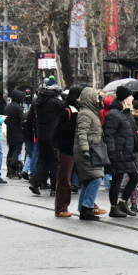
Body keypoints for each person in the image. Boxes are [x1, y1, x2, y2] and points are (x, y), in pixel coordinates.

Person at [103, 86, 138, 218]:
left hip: (130, 152)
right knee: (117, 179)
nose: (133, 98)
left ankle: (123, 202)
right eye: (130, 96)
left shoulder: (127, 112)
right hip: (119, 152)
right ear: (125, 98)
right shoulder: (114, 114)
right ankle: (114, 207)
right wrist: (112, 152)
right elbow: (109, 135)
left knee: (136, 175)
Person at [73, 87, 105, 221]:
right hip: (87, 151)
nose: (98, 100)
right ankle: (87, 207)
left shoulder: (90, 112)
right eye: (96, 98)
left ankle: (84, 208)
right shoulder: (86, 114)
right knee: (96, 177)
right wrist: (85, 150)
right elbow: (82, 133)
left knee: (89, 179)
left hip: (92, 149)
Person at [28, 82, 64, 195]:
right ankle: (54, 188)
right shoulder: (54, 102)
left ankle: (36, 183)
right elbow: (64, 105)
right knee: (54, 162)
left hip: (41, 134)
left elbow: (30, 118)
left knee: (43, 160)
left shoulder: (38, 101)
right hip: (53, 135)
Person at [53, 86, 82, 217]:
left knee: (89, 177)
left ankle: (89, 204)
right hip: (67, 149)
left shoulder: (80, 110)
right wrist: (76, 128)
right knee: (65, 179)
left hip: (77, 147)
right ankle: (61, 207)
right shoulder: (68, 111)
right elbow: (61, 130)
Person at [4, 89, 25, 179]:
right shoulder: (20, 108)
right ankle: (13, 167)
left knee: (11, 150)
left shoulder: (7, 107)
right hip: (18, 133)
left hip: (10, 133)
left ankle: (9, 169)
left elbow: (6, 120)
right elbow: (23, 120)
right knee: (17, 151)